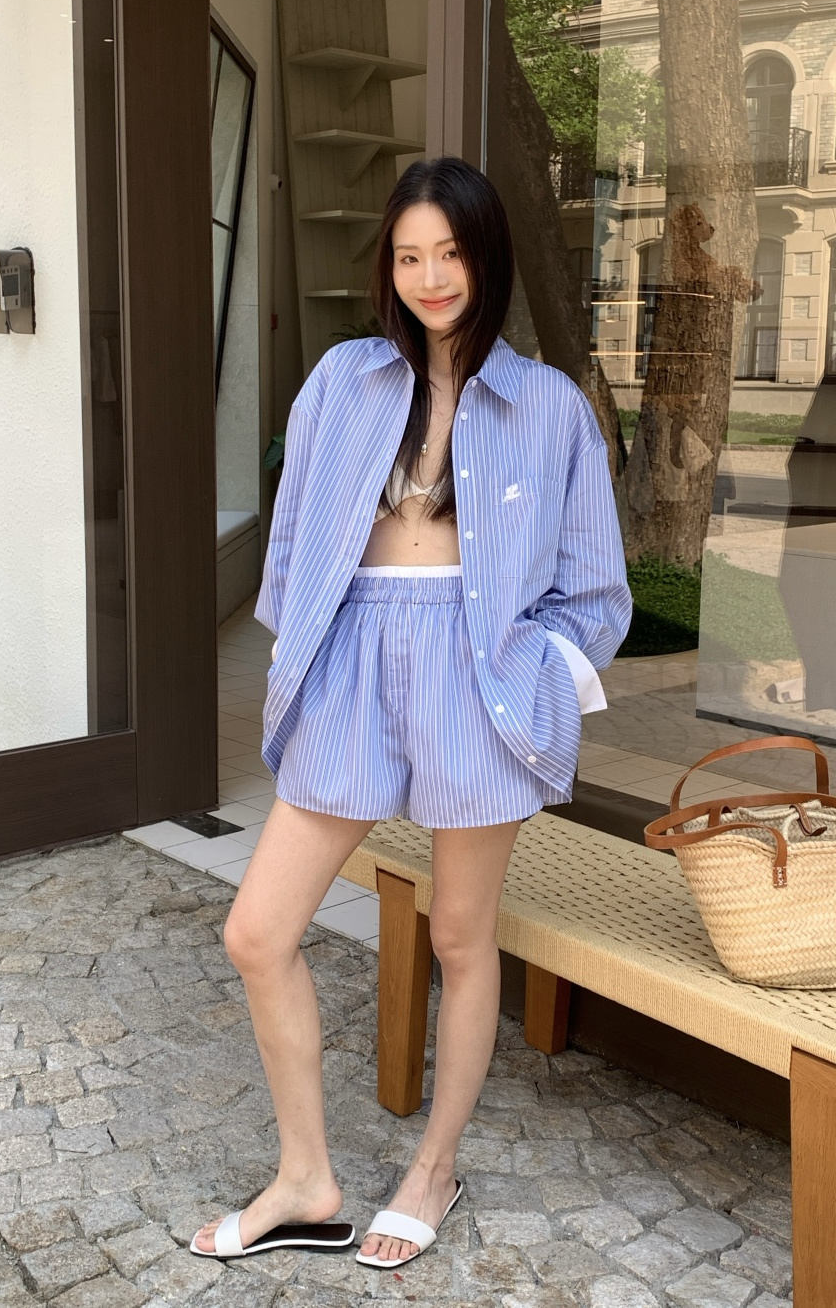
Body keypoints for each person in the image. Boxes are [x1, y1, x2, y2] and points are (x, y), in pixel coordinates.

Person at [190, 157, 631, 1268]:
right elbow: (294, 540)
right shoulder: (344, 380)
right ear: (387, 267)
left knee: (461, 935)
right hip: (354, 656)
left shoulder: (548, 405)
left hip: (480, 671)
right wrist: (297, 649)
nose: (432, 277)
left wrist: (540, 677)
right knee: (257, 931)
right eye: (409, 256)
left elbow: (597, 592)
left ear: (487, 256)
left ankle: (433, 1167)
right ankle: (307, 1177)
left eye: (451, 252)